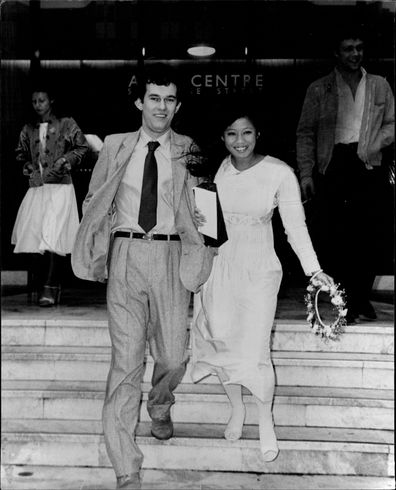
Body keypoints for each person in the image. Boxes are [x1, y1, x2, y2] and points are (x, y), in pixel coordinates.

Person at [71, 64, 215, 490]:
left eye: (169, 99)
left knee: (173, 355)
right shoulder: (115, 146)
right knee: (126, 362)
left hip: (172, 254)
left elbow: (207, 207)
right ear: (139, 101)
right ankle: (126, 469)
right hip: (128, 253)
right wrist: (100, 242)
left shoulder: (189, 147)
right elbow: (95, 199)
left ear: (178, 105)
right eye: (154, 97)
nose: (162, 107)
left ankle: (161, 401)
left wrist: (205, 245)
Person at [191, 109, 333, 464]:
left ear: (258, 134)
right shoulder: (212, 172)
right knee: (222, 340)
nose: (239, 141)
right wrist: (194, 219)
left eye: (247, 133)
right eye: (231, 134)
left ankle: (265, 418)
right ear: (222, 137)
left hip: (259, 270)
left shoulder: (279, 173)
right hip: (219, 267)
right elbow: (204, 227)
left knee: (255, 350)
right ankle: (236, 408)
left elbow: (295, 228)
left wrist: (314, 271)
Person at [296, 27, 395, 323]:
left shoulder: (379, 85)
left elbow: (392, 122)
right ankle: (346, 298)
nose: (355, 54)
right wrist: (306, 174)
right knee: (336, 235)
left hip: (368, 163)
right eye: (349, 49)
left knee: (370, 234)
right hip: (333, 164)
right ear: (336, 54)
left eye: (359, 48)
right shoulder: (319, 88)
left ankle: (360, 296)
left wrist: (376, 143)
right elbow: (305, 132)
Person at [11, 84, 89, 306]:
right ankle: (47, 282)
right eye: (34, 101)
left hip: (61, 186)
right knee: (36, 236)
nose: (38, 105)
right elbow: (19, 154)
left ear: (51, 101)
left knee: (54, 236)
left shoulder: (66, 123)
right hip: (38, 187)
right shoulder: (28, 128)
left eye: (42, 101)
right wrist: (26, 165)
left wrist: (66, 160)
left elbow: (82, 148)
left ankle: (50, 285)